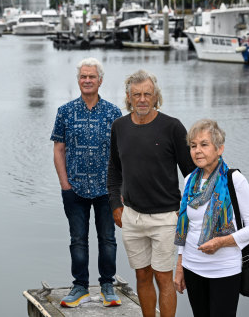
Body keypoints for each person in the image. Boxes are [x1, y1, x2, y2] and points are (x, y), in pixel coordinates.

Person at [107, 69, 196, 317]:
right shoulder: (119, 127)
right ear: (128, 98)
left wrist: (186, 211)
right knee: (142, 275)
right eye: (137, 95)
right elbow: (114, 171)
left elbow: (191, 174)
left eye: (147, 94)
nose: (142, 99)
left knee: (163, 277)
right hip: (132, 216)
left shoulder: (173, 127)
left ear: (155, 95)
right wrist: (116, 204)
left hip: (166, 218)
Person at [50, 58, 123, 308]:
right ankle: (80, 286)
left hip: (106, 189)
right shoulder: (65, 111)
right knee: (78, 239)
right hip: (75, 188)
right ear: (78, 80)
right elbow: (59, 150)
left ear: (100, 81)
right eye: (83, 76)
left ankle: (107, 285)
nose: (87, 80)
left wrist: (120, 189)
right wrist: (65, 185)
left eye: (92, 76)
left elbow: (121, 154)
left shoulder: (113, 113)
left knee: (108, 239)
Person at [173, 119, 249, 317]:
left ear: (219, 149)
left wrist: (221, 242)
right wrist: (180, 266)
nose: (197, 151)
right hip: (192, 266)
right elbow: (185, 227)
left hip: (224, 269)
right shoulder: (189, 181)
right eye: (193, 146)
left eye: (204, 145)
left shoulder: (234, 180)